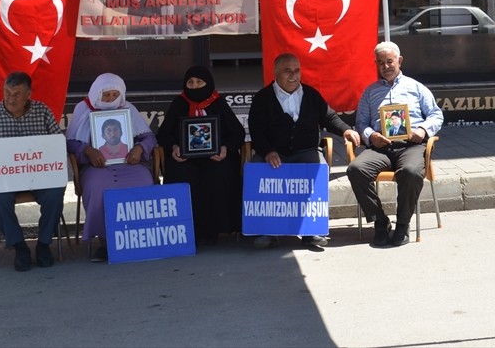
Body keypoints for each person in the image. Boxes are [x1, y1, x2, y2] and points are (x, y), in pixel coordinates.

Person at [247, 52, 360, 249]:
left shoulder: (311, 94)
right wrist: (267, 151)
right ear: (275, 73)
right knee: (259, 167)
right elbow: (256, 130)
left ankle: (311, 231)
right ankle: (268, 231)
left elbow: (330, 118)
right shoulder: (262, 98)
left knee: (318, 167)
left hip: (305, 150)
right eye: (287, 70)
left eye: (297, 70)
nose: (293, 75)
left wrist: (346, 130)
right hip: (275, 152)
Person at [347, 41, 443, 249]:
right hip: (380, 147)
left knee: (409, 171)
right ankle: (380, 221)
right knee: (356, 169)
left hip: (411, 145)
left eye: (389, 61)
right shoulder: (370, 92)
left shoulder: (416, 87)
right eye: (380, 63)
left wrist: (423, 130)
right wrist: (371, 136)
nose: (386, 66)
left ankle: (402, 224)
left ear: (399, 61)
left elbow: (436, 114)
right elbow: (361, 122)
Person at [0, 71, 64, 272]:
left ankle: (44, 244)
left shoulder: (42, 111)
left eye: (17, 94)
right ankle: (19, 246)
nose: (10, 99)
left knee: (55, 193)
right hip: (5, 179)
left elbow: (57, 142)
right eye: (7, 93)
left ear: (28, 95)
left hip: (38, 176)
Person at [66, 73, 157, 261]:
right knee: (97, 187)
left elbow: (149, 137)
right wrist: (88, 151)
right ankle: (105, 243)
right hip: (96, 168)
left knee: (144, 181)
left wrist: (139, 149)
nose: (110, 100)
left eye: (115, 95)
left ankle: (139, 238)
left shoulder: (127, 108)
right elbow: (70, 142)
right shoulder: (83, 108)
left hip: (129, 164)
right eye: (106, 95)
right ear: (96, 93)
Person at [156, 65, 245, 246]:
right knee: (182, 175)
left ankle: (215, 230)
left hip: (216, 158)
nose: (195, 86)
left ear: (208, 83)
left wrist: (226, 148)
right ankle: (187, 231)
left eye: (199, 82)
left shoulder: (218, 103)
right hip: (185, 159)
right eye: (191, 82)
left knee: (220, 173)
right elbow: (163, 134)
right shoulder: (179, 103)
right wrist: (173, 147)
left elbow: (237, 133)